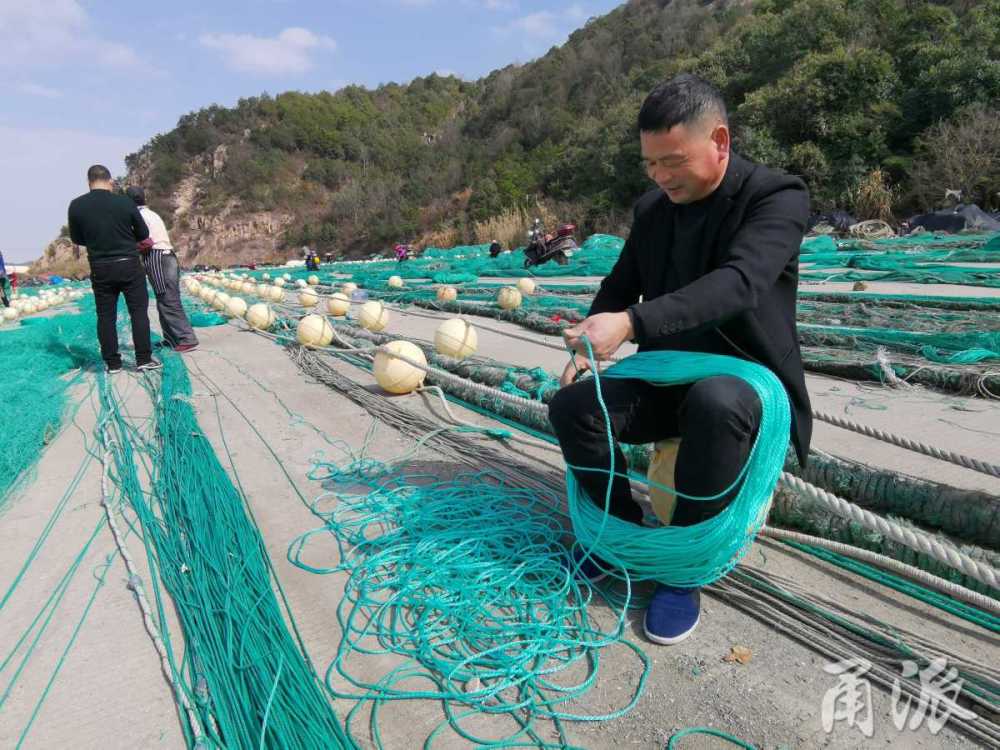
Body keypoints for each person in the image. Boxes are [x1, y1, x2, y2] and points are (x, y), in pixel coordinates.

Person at [549, 74, 812, 645]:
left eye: (673, 161)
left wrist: (633, 324)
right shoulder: (653, 210)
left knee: (715, 402)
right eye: (650, 165)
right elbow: (620, 284)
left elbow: (739, 283)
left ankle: (682, 567)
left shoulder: (775, 197)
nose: (661, 177)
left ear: (719, 140)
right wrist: (590, 345)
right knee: (573, 408)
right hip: (666, 378)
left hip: (745, 387)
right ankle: (619, 534)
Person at [68, 165, 160, 373]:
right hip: (128, 263)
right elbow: (143, 232)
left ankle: (113, 363)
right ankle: (143, 359)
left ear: (89, 182)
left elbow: (76, 238)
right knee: (138, 312)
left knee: (106, 315)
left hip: (100, 266)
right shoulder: (124, 202)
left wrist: (96, 241)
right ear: (110, 181)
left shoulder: (76, 205)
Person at [125, 186, 199, 352]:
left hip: (157, 257)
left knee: (167, 297)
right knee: (164, 296)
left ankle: (187, 337)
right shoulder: (152, 214)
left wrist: (129, 248)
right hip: (167, 255)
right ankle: (171, 337)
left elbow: (146, 242)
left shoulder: (139, 216)